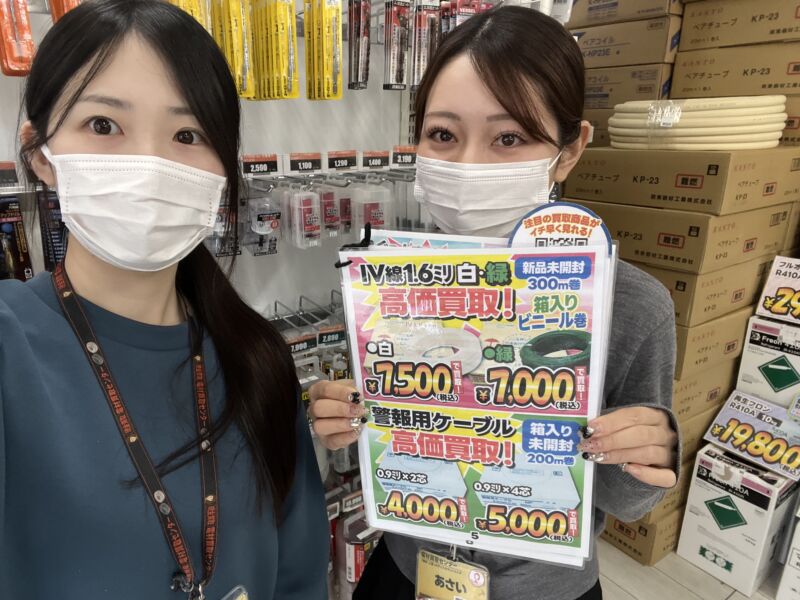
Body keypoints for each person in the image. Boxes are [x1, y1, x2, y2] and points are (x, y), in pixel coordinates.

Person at [309, 6, 680, 600]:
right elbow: (384, 428)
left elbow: (629, 502)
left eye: (509, 138)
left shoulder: (634, 306)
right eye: (443, 135)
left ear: (570, 150)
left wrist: (646, 453)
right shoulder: (390, 283)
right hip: (406, 570)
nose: (468, 165)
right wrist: (345, 419)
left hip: (547, 588)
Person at [0, 1, 328, 598]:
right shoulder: (10, 346)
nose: (149, 163)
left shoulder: (258, 358)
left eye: (187, 134)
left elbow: (299, 574)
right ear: (41, 154)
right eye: (104, 125)